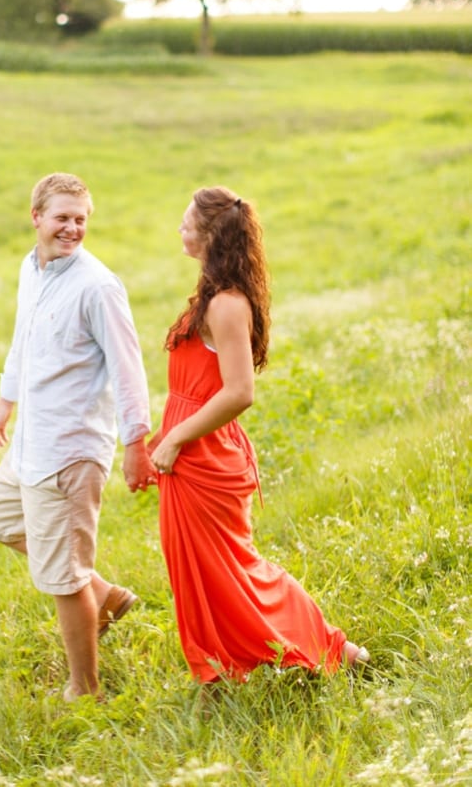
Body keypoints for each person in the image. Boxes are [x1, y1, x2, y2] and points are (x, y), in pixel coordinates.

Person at [149, 186, 369, 686]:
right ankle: (221, 671)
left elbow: (240, 392)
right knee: (203, 575)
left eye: (187, 223)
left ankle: (336, 649)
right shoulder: (212, 292)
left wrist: (175, 438)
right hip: (188, 448)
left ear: (210, 235)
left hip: (202, 454)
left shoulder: (226, 304)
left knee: (237, 571)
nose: (179, 230)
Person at [0, 173, 157, 702]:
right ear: (36, 217)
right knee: (0, 520)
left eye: (80, 219)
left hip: (70, 451)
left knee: (63, 579)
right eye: (62, 218)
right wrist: (6, 398)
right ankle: (103, 595)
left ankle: (85, 690)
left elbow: (130, 370)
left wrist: (137, 443)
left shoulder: (97, 286)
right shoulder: (30, 270)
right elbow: (23, 338)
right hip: (32, 440)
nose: (72, 228)